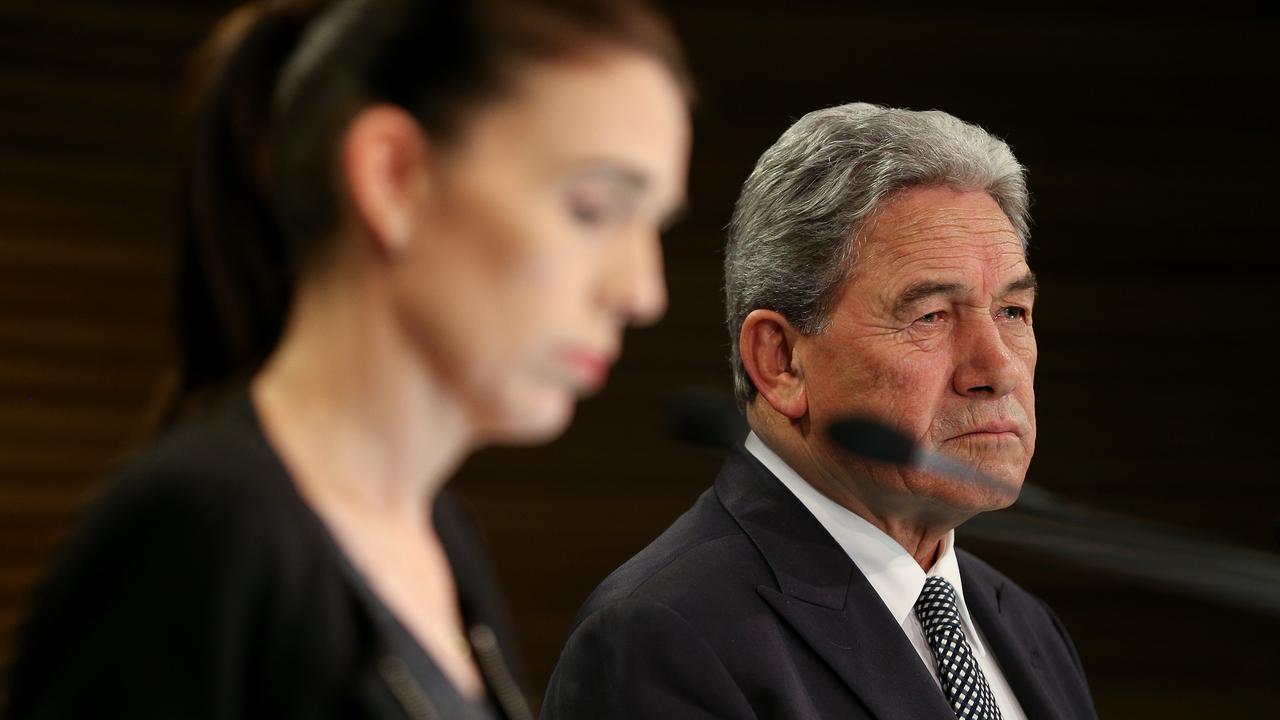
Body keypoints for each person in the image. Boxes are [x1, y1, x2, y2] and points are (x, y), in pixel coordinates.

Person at [6, 0, 690, 717]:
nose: (642, 293)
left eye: (653, 227)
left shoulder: (438, 538)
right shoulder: (198, 530)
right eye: (592, 207)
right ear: (395, 176)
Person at [542, 103, 1098, 720]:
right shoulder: (664, 636)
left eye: (1012, 313)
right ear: (780, 362)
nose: (997, 370)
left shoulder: (1025, 627)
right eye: (931, 316)